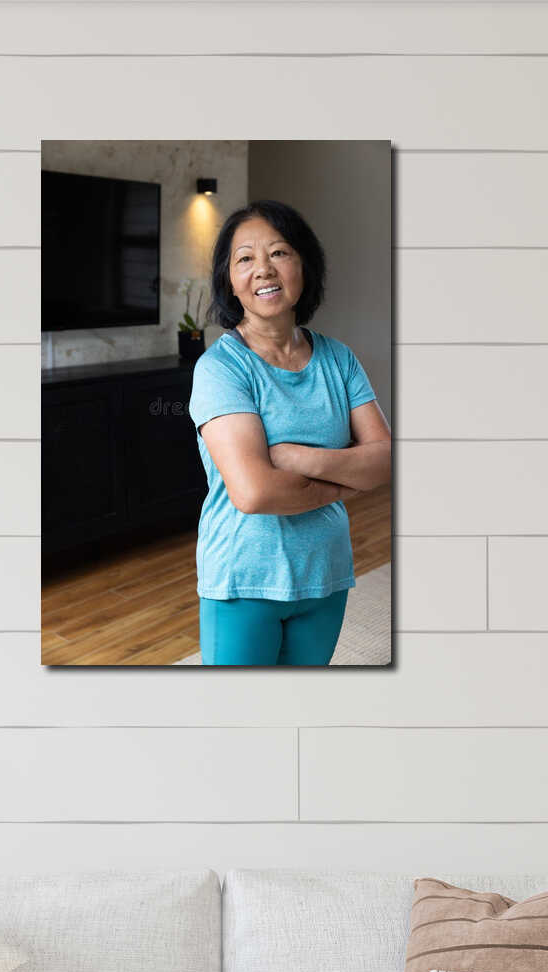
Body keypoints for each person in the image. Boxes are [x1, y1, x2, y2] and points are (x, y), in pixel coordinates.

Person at [187, 199, 392, 666]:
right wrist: (347, 481)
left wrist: (302, 459)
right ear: (229, 282)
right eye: (245, 259)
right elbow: (254, 492)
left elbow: (384, 460)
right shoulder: (220, 368)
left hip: (326, 574)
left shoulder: (339, 359)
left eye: (279, 253)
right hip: (242, 580)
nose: (263, 269)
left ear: (304, 266)